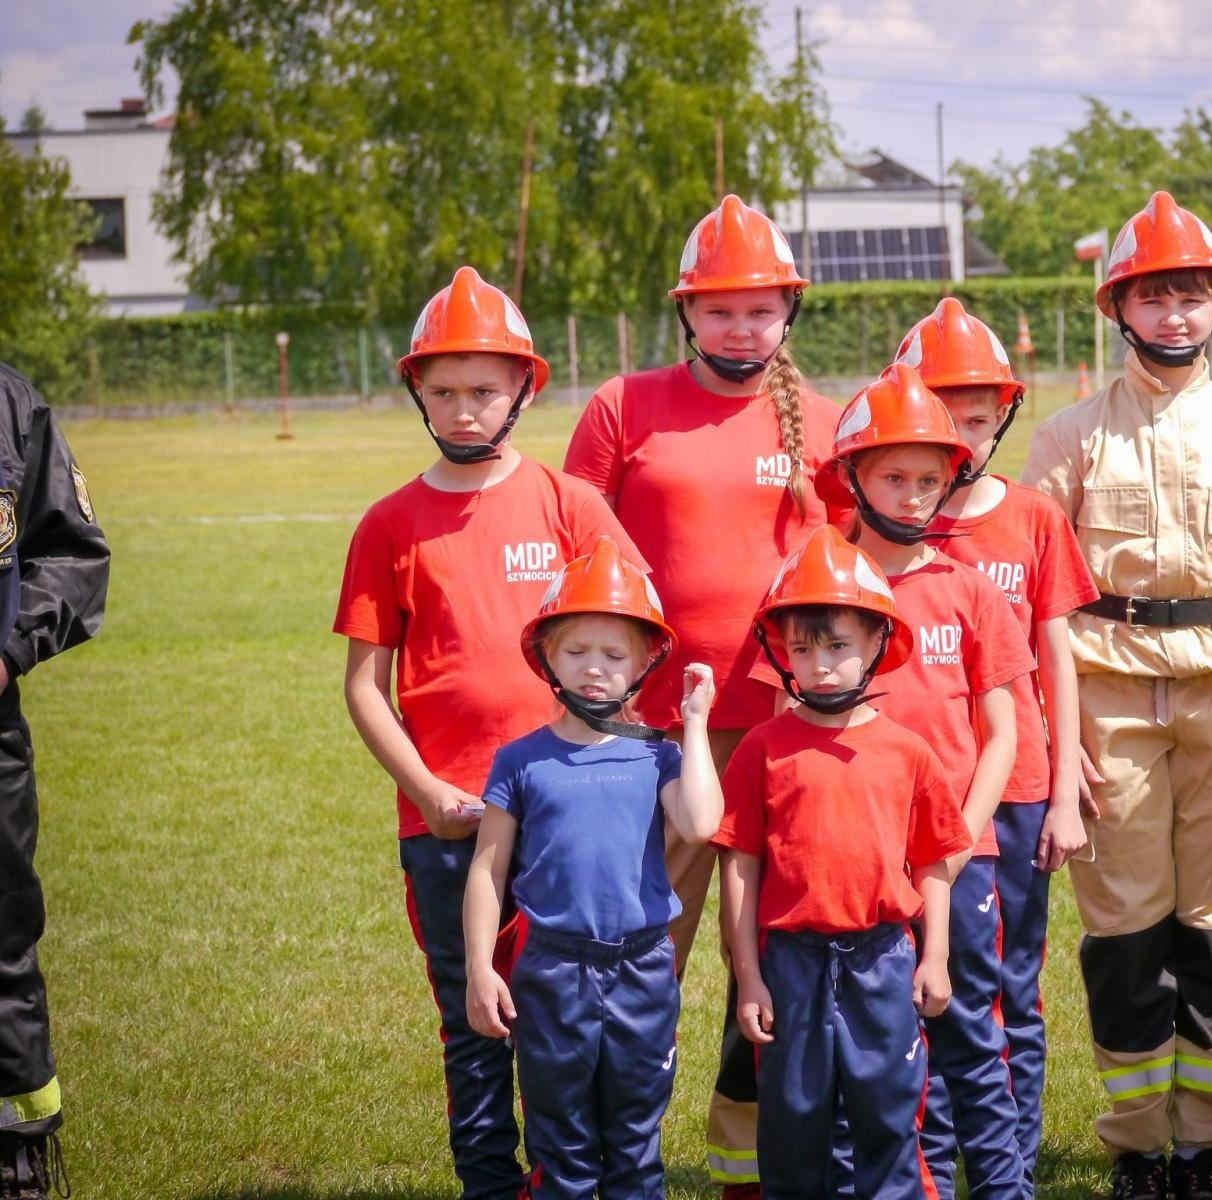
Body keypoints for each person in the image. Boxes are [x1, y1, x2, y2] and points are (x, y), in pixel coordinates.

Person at [1020, 192, 1212, 1200]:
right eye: (1154, 296)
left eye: (1191, 295)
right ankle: (1137, 1146)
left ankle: (1204, 1147)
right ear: (1119, 308)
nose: (1175, 315)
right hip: (1107, 699)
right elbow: (1036, 603)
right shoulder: (1067, 440)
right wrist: (1058, 749)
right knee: (1123, 929)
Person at [335, 267, 642, 1200]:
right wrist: (429, 793)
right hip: (448, 823)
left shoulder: (571, 508)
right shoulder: (388, 523)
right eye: (444, 392)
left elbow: (628, 652)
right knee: (473, 1024)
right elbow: (364, 688)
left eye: (485, 389)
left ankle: (568, 1179)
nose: (465, 410)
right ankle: (487, 1184)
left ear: (525, 389)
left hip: (565, 821)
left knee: (565, 1019)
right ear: (418, 394)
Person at [562, 194, 840, 1194]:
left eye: (760, 310)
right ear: (686, 313)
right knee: (636, 958)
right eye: (720, 310)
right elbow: (573, 556)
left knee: (772, 969)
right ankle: (610, 1164)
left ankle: (748, 1171)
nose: (741, 328)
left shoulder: (826, 420)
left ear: (788, 315)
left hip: (784, 737)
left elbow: (842, 582)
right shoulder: (622, 407)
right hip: (649, 743)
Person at [810, 363, 1034, 1199]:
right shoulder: (817, 586)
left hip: (958, 859)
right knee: (868, 1048)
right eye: (892, 477)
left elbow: (1002, 732)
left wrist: (956, 840)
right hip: (852, 868)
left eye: (929, 480)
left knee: (972, 1038)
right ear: (852, 478)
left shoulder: (970, 592)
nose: (912, 496)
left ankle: (1005, 1189)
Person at [899, 297, 1099, 1194]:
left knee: (1012, 985)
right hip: (905, 798)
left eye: (978, 419)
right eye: (942, 418)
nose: (962, 439)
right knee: (923, 985)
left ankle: (1009, 1164)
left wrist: (1061, 788)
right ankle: (931, 1164)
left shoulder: (1031, 519)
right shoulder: (882, 526)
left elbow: (1058, 654)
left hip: (1012, 788)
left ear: (1003, 417)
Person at [463, 537, 723, 1199]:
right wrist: (478, 970)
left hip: (641, 970)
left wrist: (695, 727)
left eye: (614, 655)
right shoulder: (521, 761)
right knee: (563, 1147)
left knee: (635, 1147)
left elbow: (699, 824)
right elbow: (488, 873)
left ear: (644, 663)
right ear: (547, 655)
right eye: (577, 651)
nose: (594, 669)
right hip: (552, 973)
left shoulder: (658, 757)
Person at [716, 524, 970, 1200]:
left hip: (882, 962)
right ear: (781, 653)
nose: (820, 664)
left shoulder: (909, 751)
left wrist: (935, 957)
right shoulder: (760, 751)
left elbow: (936, 864)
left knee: (888, 1124)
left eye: (838, 646)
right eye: (803, 648)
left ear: (878, 646)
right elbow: (738, 869)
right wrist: (749, 978)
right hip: (791, 964)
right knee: (793, 1130)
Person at [0, 362, 109, 1200]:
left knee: (1, 938)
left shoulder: (10, 402)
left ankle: (18, 1150)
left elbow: (72, 552)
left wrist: (8, 652)